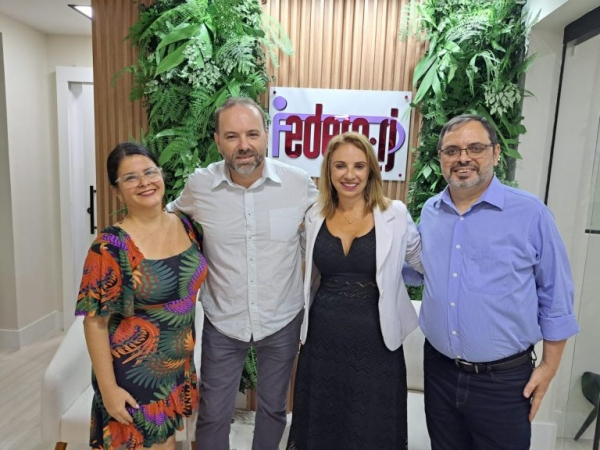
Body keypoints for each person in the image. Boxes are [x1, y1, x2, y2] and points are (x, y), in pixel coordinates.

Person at [416, 114, 579, 450]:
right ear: (441, 158)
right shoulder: (431, 212)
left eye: (475, 148)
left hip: (504, 382)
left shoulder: (531, 214)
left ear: (496, 153)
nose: (463, 158)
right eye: (452, 150)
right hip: (440, 372)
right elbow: (416, 270)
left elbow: (557, 296)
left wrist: (548, 368)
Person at [168, 97, 318, 450]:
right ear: (218, 141)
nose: (244, 145)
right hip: (224, 320)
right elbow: (164, 222)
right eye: (232, 136)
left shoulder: (297, 184)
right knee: (214, 414)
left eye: (252, 134)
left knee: (273, 410)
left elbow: (333, 223)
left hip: (282, 318)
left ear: (267, 136)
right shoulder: (199, 187)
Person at [286, 132, 423, 450]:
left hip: (376, 341)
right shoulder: (314, 215)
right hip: (323, 340)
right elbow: (306, 269)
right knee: (323, 424)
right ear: (328, 172)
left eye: (359, 166)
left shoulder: (396, 214)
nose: (350, 175)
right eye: (340, 166)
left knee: (371, 425)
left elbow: (423, 264)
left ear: (372, 171)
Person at [75, 142, 208, 450]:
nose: (145, 182)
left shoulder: (188, 226)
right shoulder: (109, 247)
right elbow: (94, 323)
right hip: (135, 379)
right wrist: (109, 391)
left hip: (177, 372)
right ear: (117, 190)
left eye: (150, 171)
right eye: (131, 178)